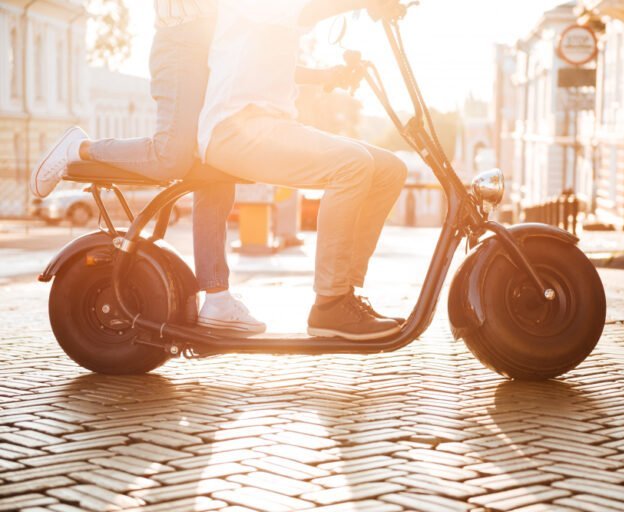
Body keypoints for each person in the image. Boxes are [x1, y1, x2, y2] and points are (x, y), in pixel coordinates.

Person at [30, 0, 265, 335]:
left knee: (215, 166)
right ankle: (80, 149)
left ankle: (217, 296)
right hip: (186, 40)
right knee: (171, 156)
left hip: (218, 47)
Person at [198, 0, 408, 341]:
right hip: (234, 128)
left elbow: (274, 62)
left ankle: (345, 295)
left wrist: (325, 75)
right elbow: (306, 12)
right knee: (352, 165)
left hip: (269, 125)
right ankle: (330, 303)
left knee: (390, 169)